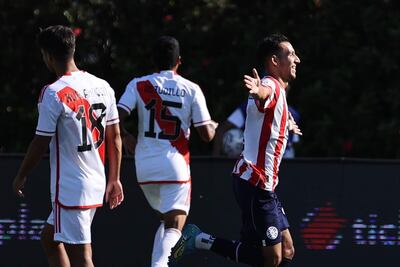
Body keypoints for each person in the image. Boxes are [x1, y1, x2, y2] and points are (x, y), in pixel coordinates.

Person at [170, 33, 302, 267]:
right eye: (290, 54)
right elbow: (265, 93)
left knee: (288, 250)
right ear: (274, 61)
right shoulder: (270, 83)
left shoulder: (278, 90)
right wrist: (258, 92)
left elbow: (269, 106)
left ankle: (201, 240)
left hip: (263, 185)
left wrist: (287, 121)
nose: (296, 59)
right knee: (272, 260)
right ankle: (201, 240)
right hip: (255, 184)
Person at [12, 25, 124, 267]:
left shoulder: (53, 93)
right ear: (73, 49)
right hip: (95, 179)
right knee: (50, 239)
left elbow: (40, 142)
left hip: (72, 187)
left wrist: (21, 175)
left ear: (48, 56)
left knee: (82, 257)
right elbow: (115, 136)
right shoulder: (103, 86)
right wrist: (114, 178)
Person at [117, 36, 217, 267]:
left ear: (153, 61)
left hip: (144, 166)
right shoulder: (191, 89)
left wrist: (125, 137)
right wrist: (211, 125)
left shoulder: (138, 84)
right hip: (175, 165)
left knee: (165, 220)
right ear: (179, 61)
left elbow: (114, 117)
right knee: (176, 224)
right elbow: (206, 135)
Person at [212, 96, 300, 158]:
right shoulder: (247, 107)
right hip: (251, 162)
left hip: (282, 161)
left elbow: (293, 144)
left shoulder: (291, 114)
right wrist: (216, 161)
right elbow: (222, 129)